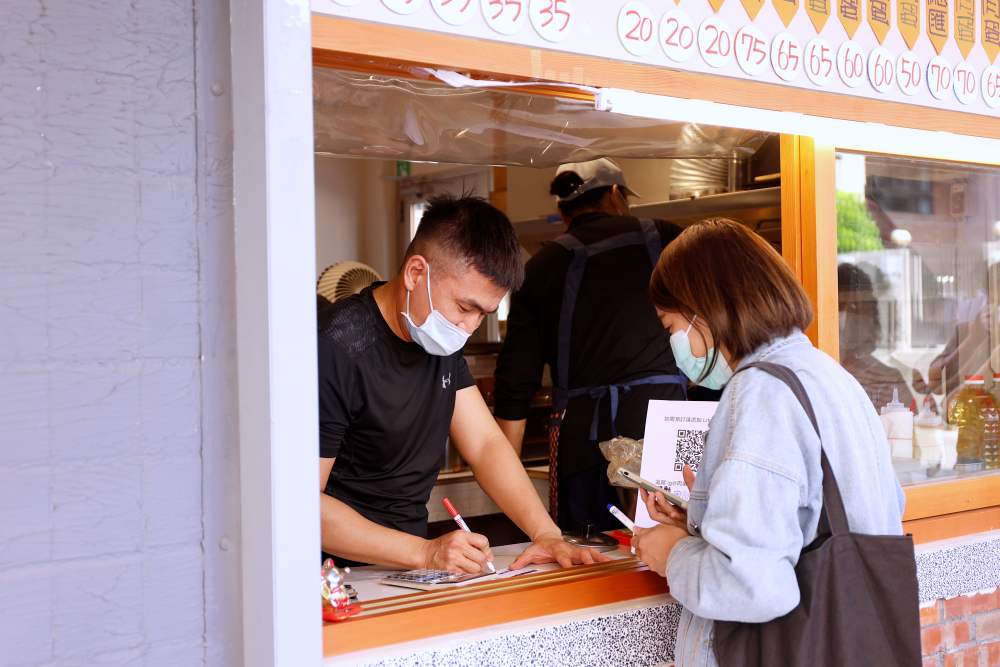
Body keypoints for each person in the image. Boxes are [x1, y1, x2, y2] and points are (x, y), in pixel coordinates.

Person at [632, 219, 905, 666]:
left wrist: (674, 553)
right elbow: (861, 515)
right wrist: (705, 522)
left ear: (703, 309)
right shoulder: (829, 375)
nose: (674, 343)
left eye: (671, 326)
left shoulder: (760, 392)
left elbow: (754, 587)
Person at [318, 195, 604, 573]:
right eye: (465, 307)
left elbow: (486, 445)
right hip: (337, 577)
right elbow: (299, 502)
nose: (469, 328)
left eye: (483, 314)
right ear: (416, 273)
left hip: (408, 571)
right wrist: (424, 553)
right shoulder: (336, 347)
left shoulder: (434, 336)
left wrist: (546, 534)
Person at [494, 158, 687, 532]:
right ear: (616, 194)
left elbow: (516, 376)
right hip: (665, 427)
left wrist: (505, 471)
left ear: (563, 211)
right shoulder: (668, 238)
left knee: (588, 549)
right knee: (671, 538)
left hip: (580, 437)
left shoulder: (542, 266)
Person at [837, 262, 915, 409]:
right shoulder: (816, 377)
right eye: (840, 306)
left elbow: (914, 427)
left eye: (857, 308)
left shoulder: (889, 381)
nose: (847, 316)